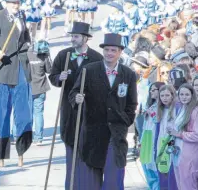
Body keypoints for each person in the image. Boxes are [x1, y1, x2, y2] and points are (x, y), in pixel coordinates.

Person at [69, 33, 138, 190]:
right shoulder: (89, 70)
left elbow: (132, 103)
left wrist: (125, 121)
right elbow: (73, 93)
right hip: (93, 132)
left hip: (116, 133)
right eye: (107, 50)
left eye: (113, 50)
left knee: (114, 180)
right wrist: (77, 98)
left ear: (120, 52)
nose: (109, 53)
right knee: (91, 181)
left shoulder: (128, 74)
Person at [48, 21, 103, 189]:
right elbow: (53, 76)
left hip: (89, 112)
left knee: (87, 150)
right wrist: (59, 78)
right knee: (70, 149)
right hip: (68, 110)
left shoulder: (96, 58)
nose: (73, 39)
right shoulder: (63, 55)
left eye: (76, 36)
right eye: (72, 36)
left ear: (85, 38)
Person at [0, 0, 32, 167]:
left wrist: (27, 44)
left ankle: (21, 152)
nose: (15, 5)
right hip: (4, 68)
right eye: (12, 3)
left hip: (20, 67)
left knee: (22, 112)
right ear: (6, 3)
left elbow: (26, 36)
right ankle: (2, 156)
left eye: (17, 2)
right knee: (3, 113)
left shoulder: (22, 16)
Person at [168, 83, 198, 190]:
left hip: (189, 156)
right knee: (181, 185)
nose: (184, 97)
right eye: (181, 94)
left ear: (192, 95)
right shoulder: (182, 109)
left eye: (187, 94)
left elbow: (196, 135)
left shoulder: (195, 111)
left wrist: (179, 134)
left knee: (189, 185)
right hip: (177, 154)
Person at [139, 82, 164, 190]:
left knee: (155, 168)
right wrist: (141, 141)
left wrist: (152, 114)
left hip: (156, 139)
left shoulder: (164, 106)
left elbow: (161, 123)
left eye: (154, 90)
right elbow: (146, 126)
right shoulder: (150, 105)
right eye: (151, 90)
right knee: (147, 166)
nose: (151, 92)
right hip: (147, 138)